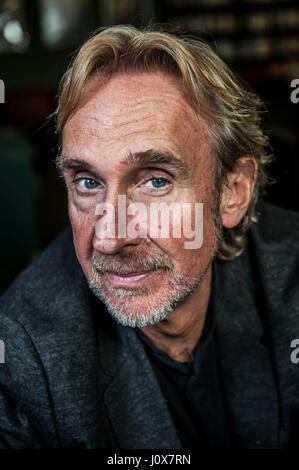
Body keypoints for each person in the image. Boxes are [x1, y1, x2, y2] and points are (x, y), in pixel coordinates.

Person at [0, 25, 299, 449]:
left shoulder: (291, 277)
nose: (107, 239)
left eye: (155, 182)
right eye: (87, 183)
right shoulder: (21, 352)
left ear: (233, 191)